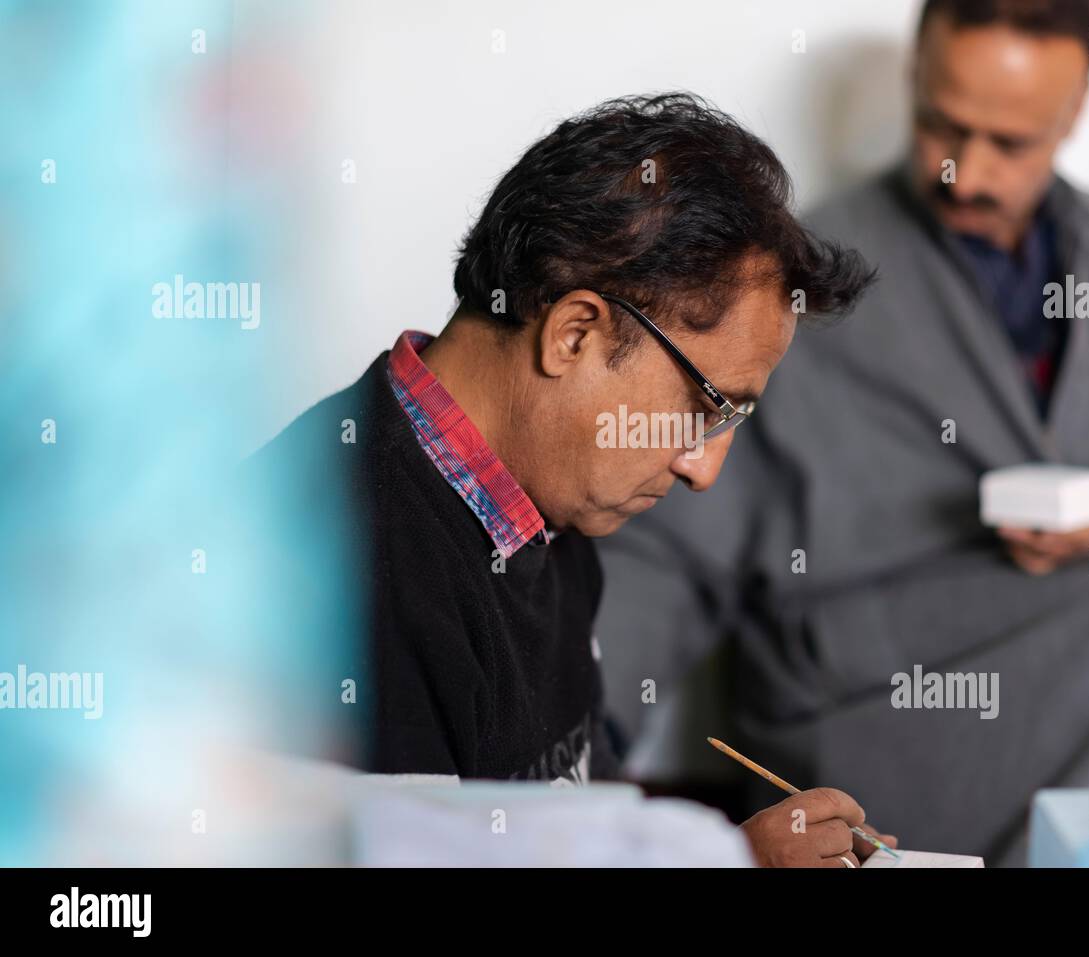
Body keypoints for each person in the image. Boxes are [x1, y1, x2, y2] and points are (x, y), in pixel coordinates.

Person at [593, 2, 1089, 865]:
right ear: (914, 79)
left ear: (1073, 113)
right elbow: (668, 557)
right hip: (874, 719)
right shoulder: (801, 283)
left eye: (1010, 143)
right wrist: (570, 735)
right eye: (942, 126)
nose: (965, 173)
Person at [251, 92, 891, 866]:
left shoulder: (546, 506)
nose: (703, 468)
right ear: (575, 332)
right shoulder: (348, 567)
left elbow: (578, 816)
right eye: (705, 407)